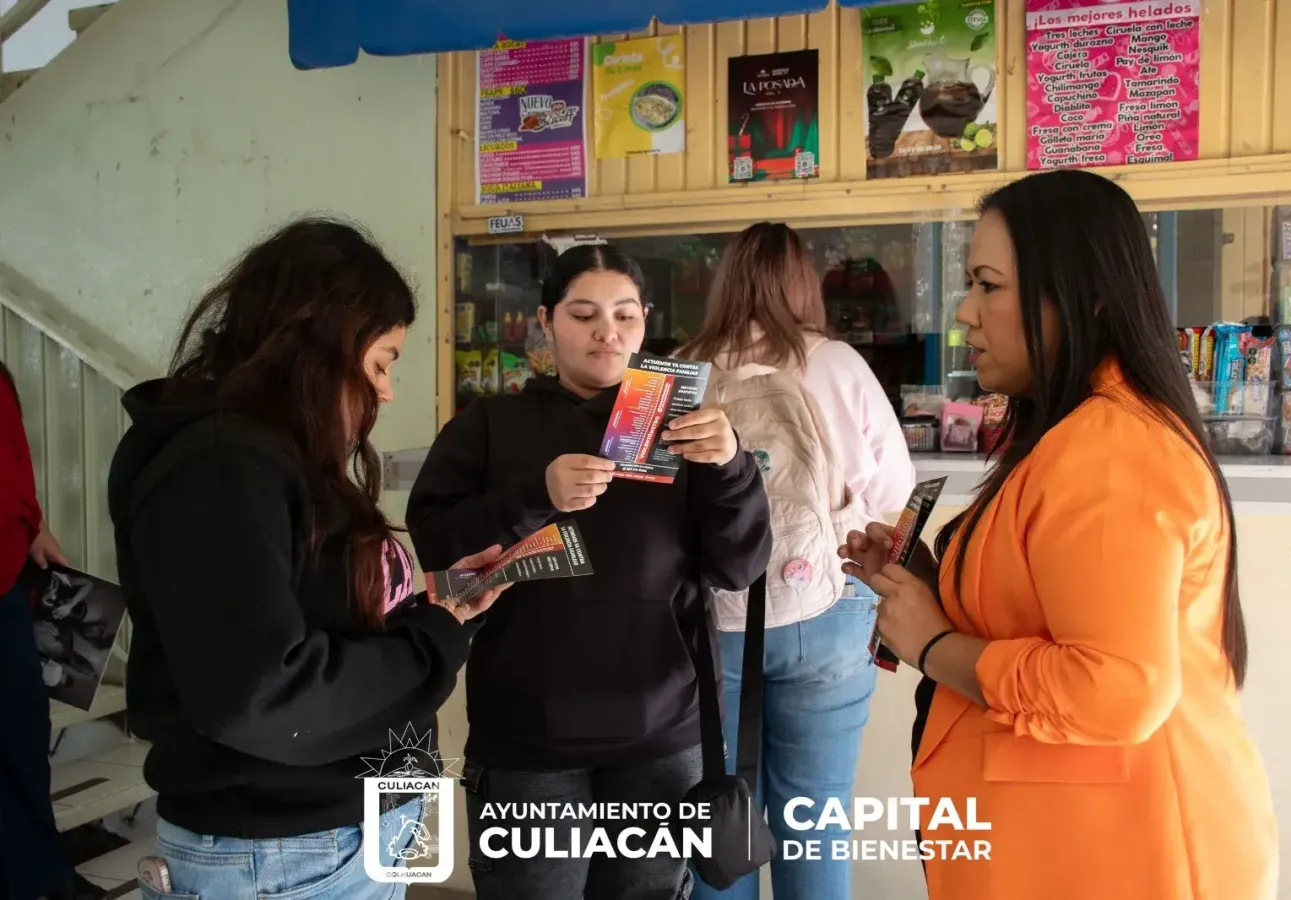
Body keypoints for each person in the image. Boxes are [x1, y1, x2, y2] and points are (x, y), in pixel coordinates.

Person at [840, 169, 1279, 899]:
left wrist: (934, 645)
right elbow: (1040, 603)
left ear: (1085, 297)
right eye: (970, 285)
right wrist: (929, 585)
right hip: (1060, 841)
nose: (964, 312)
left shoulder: (1111, 451)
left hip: (1124, 855)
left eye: (988, 286)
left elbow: (1115, 690)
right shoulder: (1071, 431)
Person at [108, 218, 508, 900]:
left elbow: (306, 606)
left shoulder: (277, 458)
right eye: (380, 363)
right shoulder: (220, 468)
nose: (386, 391)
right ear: (319, 348)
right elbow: (261, 691)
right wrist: (430, 641)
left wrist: (428, 604)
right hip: (286, 851)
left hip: (344, 828)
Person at [405, 243, 774, 900]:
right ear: (545, 321)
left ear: (645, 321)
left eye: (625, 315)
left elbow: (738, 567)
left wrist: (732, 468)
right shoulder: (489, 426)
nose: (607, 331)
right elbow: (438, 551)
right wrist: (533, 495)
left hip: (661, 732)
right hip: (527, 739)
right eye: (583, 314)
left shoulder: (686, 431)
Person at [677, 222, 915, 900]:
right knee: (815, 812)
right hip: (830, 607)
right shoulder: (837, 362)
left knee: (720, 809)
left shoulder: (685, 369)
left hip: (715, 618)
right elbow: (893, 495)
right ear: (804, 283)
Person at [0, 361, 105, 900]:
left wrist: (35, 527)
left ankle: (41, 873)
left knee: (23, 735)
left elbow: (12, 465)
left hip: (7, 584)